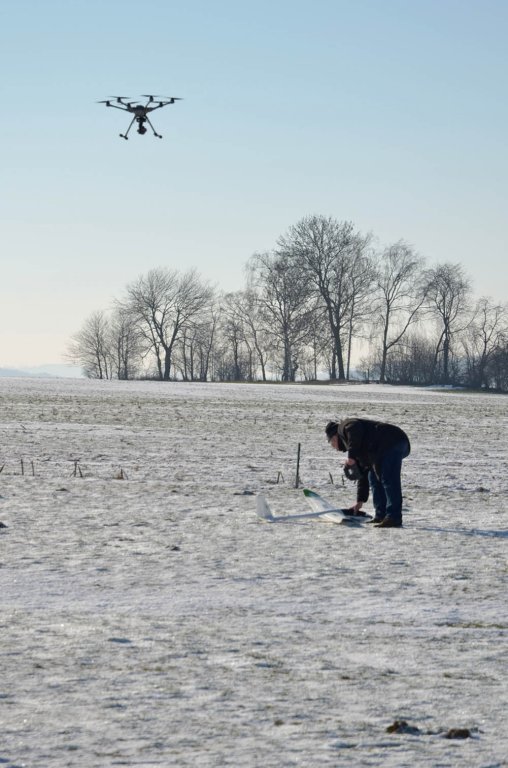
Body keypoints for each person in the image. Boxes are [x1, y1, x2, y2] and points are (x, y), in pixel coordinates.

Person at [325, 418, 410, 528]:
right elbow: (363, 475)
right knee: (373, 477)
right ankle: (381, 515)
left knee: (388, 477)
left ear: (335, 436)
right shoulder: (360, 450)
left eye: (331, 443)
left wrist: (351, 457)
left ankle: (394, 517)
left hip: (393, 441)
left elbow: (354, 428)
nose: (334, 448)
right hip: (382, 449)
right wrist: (360, 501)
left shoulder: (344, 427)